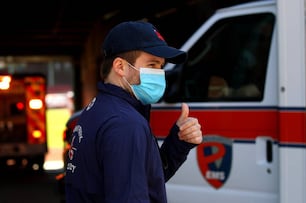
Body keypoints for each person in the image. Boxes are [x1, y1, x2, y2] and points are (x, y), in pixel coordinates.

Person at [65, 21, 203, 203]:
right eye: (152, 65)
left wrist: (178, 143)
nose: (159, 73)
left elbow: (143, 181)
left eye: (161, 66)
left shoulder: (99, 108)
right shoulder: (125, 124)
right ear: (120, 67)